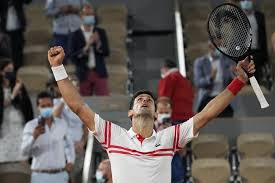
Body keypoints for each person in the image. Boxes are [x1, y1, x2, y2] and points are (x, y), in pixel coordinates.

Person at [48, 46, 255, 183]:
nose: (145, 100)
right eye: (140, 100)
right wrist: (57, 67)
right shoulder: (113, 135)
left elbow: (206, 114)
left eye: (149, 100)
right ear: (130, 113)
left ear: (156, 113)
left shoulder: (169, 138)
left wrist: (239, 81)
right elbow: (78, 106)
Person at [21, 91, 75, 183]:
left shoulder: (62, 123)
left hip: (60, 175)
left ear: (53, 105)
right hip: (39, 175)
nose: (47, 108)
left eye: (49, 105)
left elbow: (69, 144)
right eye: (43, 106)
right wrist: (34, 137)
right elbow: (24, 152)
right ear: (38, 107)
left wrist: (71, 161)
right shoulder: (30, 126)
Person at [51, 80, 87, 183]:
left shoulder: (83, 105)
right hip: (61, 147)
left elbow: (86, 127)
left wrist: (82, 142)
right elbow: (54, 116)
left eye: (76, 87)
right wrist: (64, 99)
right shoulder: (57, 103)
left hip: (77, 146)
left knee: (77, 176)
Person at [72, 4, 110, 96]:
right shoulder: (75, 34)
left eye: (91, 14)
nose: (90, 17)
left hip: (99, 72)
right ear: (81, 16)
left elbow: (106, 52)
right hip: (83, 73)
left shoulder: (100, 32)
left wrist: (98, 44)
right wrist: (87, 46)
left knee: (104, 102)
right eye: (87, 14)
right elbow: (72, 56)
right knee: (84, 104)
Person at [193, 41, 235, 117]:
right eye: (218, 46)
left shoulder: (227, 61)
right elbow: (198, 83)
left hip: (223, 98)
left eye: (221, 46)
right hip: (207, 98)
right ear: (210, 47)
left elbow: (232, 80)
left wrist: (234, 73)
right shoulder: (200, 62)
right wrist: (210, 77)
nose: (221, 48)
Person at [0, 58, 33, 136]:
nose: (11, 72)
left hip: (18, 122)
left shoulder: (18, 85)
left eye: (12, 70)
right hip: (3, 125)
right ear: (1, 72)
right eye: (8, 69)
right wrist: (13, 94)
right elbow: (2, 105)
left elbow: (27, 107)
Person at [45, 0, 84, 64]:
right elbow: (47, 13)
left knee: (79, 60)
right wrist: (59, 10)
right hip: (60, 32)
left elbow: (88, 9)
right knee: (59, 59)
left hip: (77, 30)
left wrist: (77, 9)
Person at [240, 0, 269, 82]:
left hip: (257, 51)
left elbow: (263, 35)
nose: (246, 2)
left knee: (256, 79)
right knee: (246, 79)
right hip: (244, 52)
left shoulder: (259, 16)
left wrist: (265, 54)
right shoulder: (239, 17)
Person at [158, 59, 194, 124]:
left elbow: (164, 99)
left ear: (165, 68)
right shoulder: (184, 79)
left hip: (174, 117)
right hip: (188, 116)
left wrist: (160, 117)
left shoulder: (169, 77)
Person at [0, 0, 32, 71]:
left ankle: (18, 71)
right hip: (5, 31)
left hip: (18, 30)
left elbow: (28, 1)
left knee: (18, 52)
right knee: (6, 53)